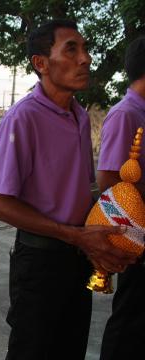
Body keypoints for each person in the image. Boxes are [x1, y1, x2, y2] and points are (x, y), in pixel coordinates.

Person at [0, 20, 137, 360]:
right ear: (41, 63)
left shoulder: (80, 116)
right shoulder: (22, 118)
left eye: (85, 49)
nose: (85, 59)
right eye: (71, 49)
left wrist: (111, 233)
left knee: (71, 348)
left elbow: (81, 189)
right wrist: (73, 235)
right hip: (39, 263)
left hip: (77, 257)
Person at [97, 36, 145, 360]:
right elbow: (109, 183)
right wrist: (133, 239)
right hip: (137, 238)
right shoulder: (126, 114)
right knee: (130, 322)